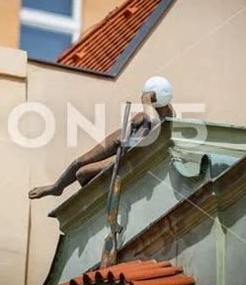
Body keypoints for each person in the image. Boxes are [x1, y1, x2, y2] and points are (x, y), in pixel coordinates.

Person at [28, 76, 175, 199]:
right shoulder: (147, 112)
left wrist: (146, 102)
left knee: (82, 173)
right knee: (80, 161)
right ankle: (56, 187)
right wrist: (125, 135)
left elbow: (155, 124)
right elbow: (135, 123)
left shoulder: (167, 114)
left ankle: (100, 194)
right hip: (125, 139)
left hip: (129, 156)